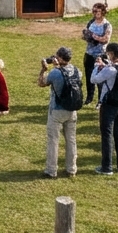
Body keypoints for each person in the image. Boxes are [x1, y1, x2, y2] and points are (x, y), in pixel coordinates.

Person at [90, 42, 118, 175]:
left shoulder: (111, 70)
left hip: (109, 105)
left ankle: (107, 167)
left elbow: (94, 80)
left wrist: (97, 67)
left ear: (112, 54)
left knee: (107, 135)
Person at [38, 46, 82, 179]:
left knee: (53, 140)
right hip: (72, 110)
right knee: (71, 140)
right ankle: (71, 168)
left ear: (61, 58)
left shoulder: (55, 73)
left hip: (57, 110)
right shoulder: (77, 71)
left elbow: (42, 83)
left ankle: (51, 170)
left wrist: (44, 69)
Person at [81, 3, 112, 104]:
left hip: (101, 54)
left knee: (100, 78)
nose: (95, 13)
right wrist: (86, 36)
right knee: (89, 76)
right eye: (94, 11)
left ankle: (100, 100)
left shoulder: (107, 25)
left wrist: (94, 37)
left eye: (98, 11)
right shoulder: (91, 22)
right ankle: (89, 97)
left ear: (103, 12)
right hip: (89, 53)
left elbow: (106, 39)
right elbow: (85, 36)